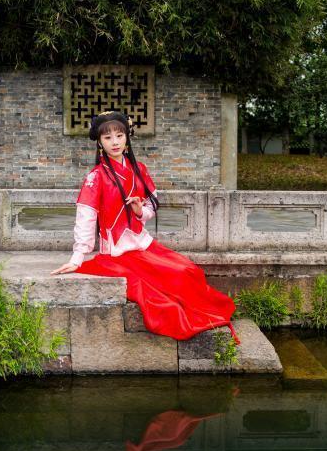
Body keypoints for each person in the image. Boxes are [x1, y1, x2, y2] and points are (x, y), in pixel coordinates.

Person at [50, 110, 240, 344]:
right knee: (160, 298)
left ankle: (210, 310)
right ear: (99, 142)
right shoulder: (96, 176)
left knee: (187, 270)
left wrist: (140, 211)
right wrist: (78, 257)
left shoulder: (139, 169)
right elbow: (86, 217)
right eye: (107, 137)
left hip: (143, 245)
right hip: (117, 254)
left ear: (127, 137)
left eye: (119, 135)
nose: (115, 142)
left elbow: (151, 205)